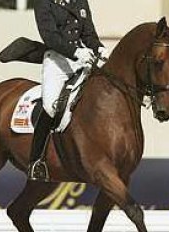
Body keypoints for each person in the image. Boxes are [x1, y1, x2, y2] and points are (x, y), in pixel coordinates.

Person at [28, 0, 110, 181]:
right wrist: (75, 51)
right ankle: (36, 161)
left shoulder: (80, 1)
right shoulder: (44, 2)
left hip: (82, 60)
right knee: (50, 107)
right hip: (57, 61)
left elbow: (89, 34)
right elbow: (49, 36)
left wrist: (99, 48)